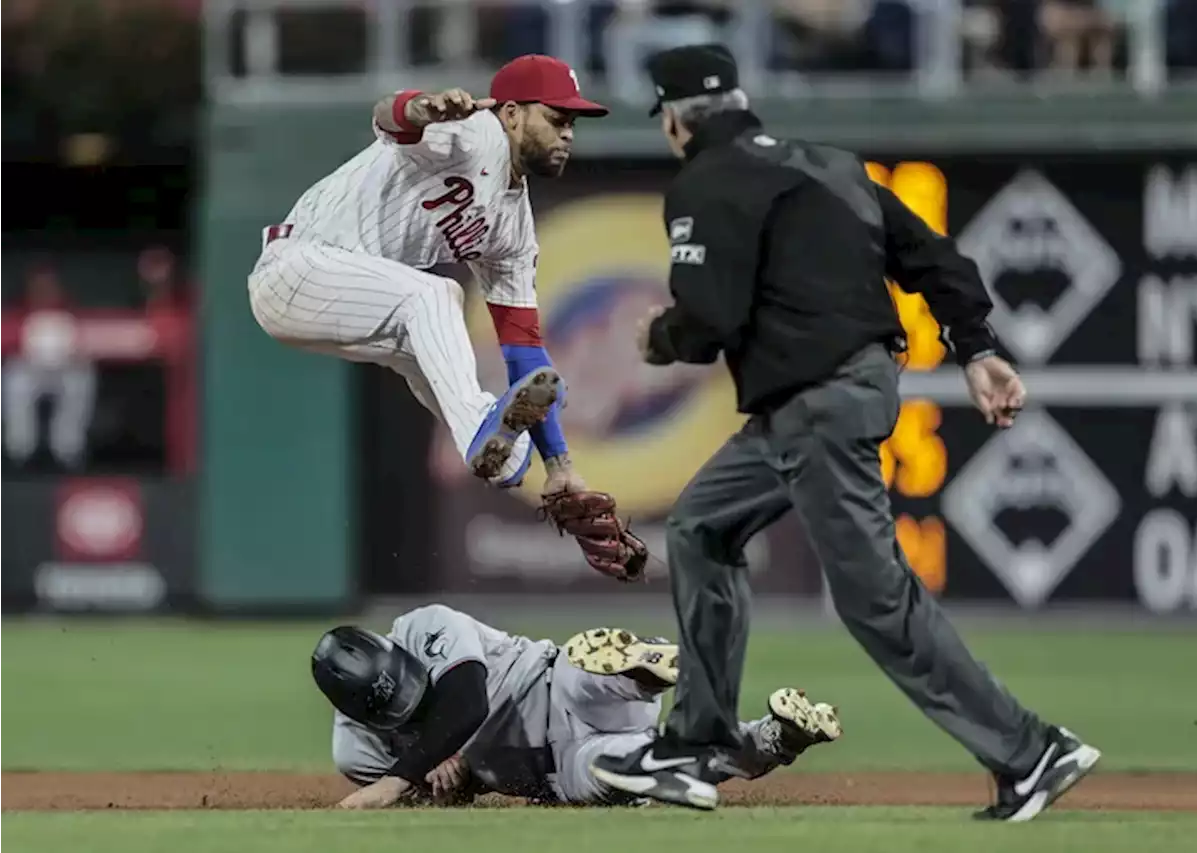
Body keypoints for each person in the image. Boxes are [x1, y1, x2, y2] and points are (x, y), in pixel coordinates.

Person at [588, 43, 1100, 822]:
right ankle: (696, 743)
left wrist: (660, 336)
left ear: (675, 121)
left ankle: (1029, 750)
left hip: (819, 403)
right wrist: (979, 347)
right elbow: (936, 258)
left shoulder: (705, 181)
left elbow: (710, 321)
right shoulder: (828, 164)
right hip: (827, 397)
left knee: (876, 600)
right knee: (699, 526)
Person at [247, 55, 602, 496]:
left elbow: (524, 353)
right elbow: (387, 117)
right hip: (297, 268)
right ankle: (478, 432)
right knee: (436, 296)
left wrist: (560, 466)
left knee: (430, 355)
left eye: (572, 122)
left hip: (343, 296)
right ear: (511, 113)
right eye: (556, 118)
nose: (567, 132)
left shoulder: (513, 230)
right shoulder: (471, 132)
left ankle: (506, 462)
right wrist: (420, 107)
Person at [311, 604, 842, 809]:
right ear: (354, 715)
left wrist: (403, 774)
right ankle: (775, 737)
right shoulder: (353, 751)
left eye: (408, 684)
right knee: (629, 768)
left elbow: (467, 701)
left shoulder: (426, 627)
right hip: (558, 768)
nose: (412, 702)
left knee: (584, 670)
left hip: (549, 685)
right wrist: (448, 782)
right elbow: (440, 805)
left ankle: (641, 671)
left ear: (394, 651)